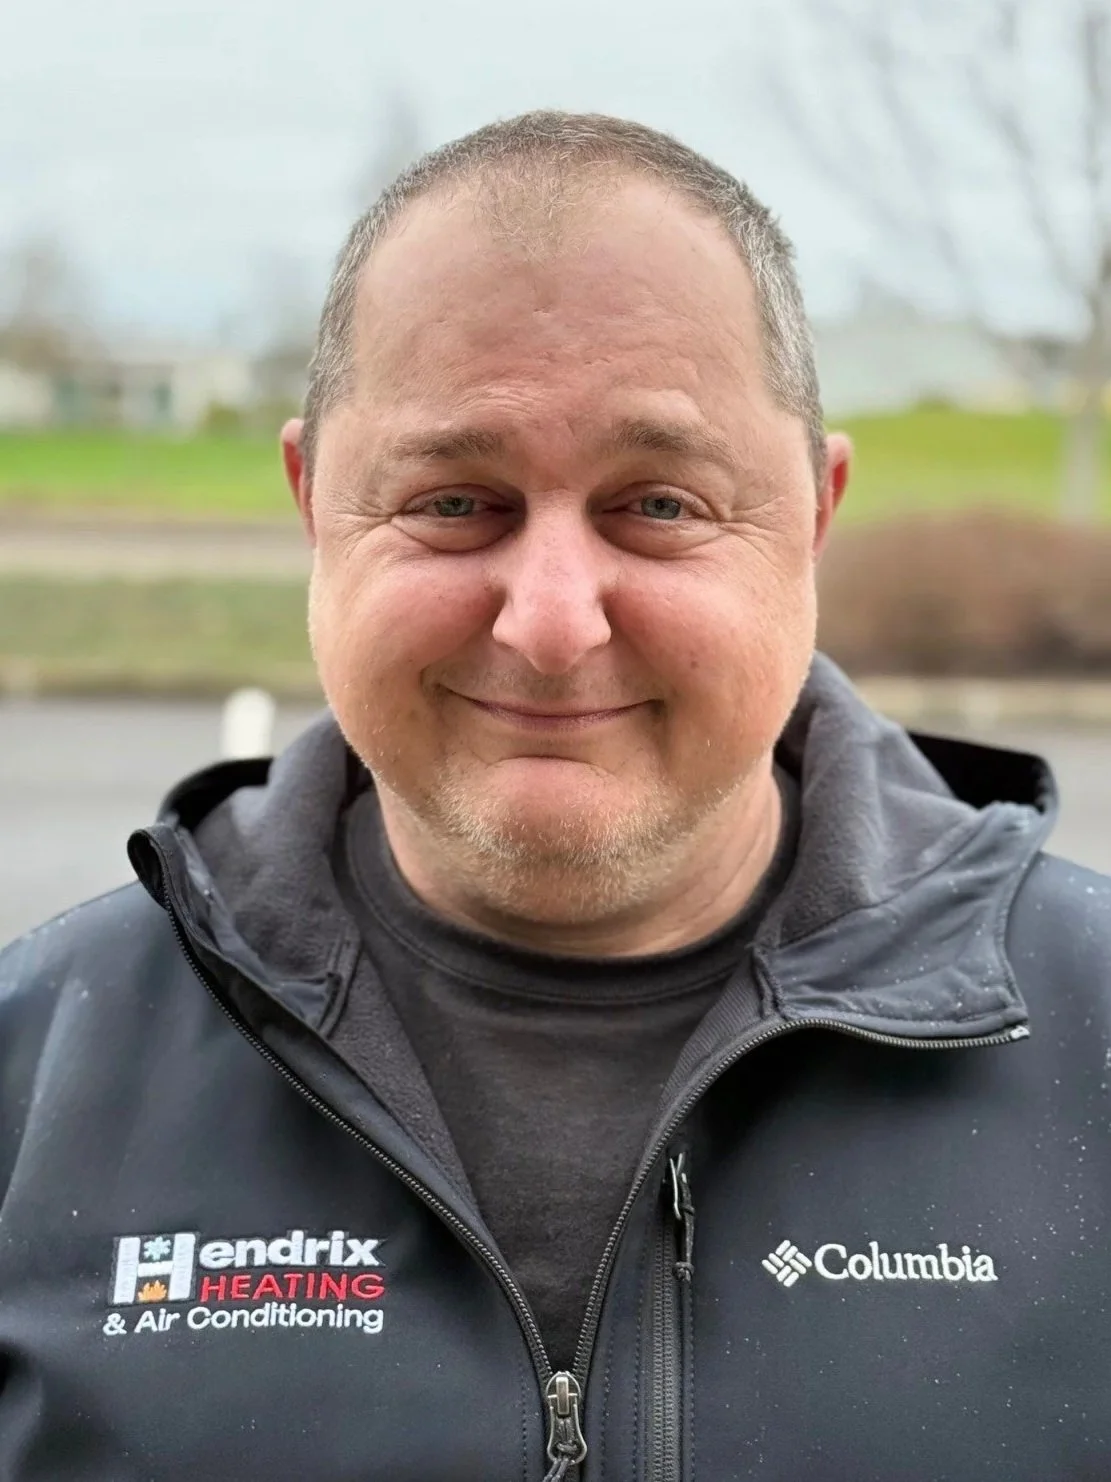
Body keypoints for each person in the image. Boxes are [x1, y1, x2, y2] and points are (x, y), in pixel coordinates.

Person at [1, 112, 1109, 1482]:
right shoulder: (32, 1076)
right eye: (456, 503)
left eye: (657, 505)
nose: (548, 621)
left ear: (813, 517)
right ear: (311, 503)